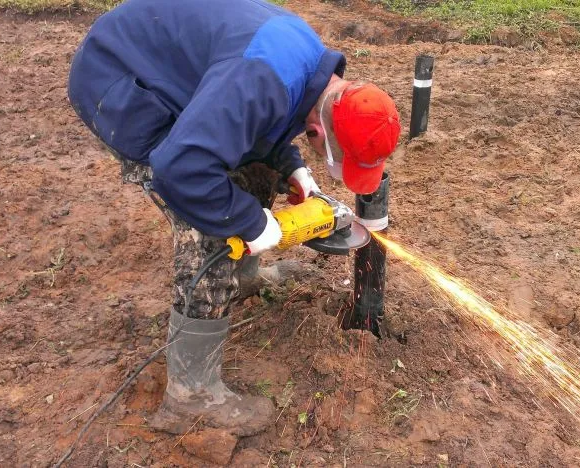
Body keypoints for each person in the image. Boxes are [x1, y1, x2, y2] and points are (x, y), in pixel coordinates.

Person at [67, 0, 400, 437]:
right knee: (208, 219)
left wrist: (292, 166)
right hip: (119, 78)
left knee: (253, 173)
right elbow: (181, 168)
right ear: (321, 129)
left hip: (171, 68)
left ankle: (242, 280)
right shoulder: (260, 77)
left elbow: (258, 114)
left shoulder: (308, 68)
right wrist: (254, 223)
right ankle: (191, 396)